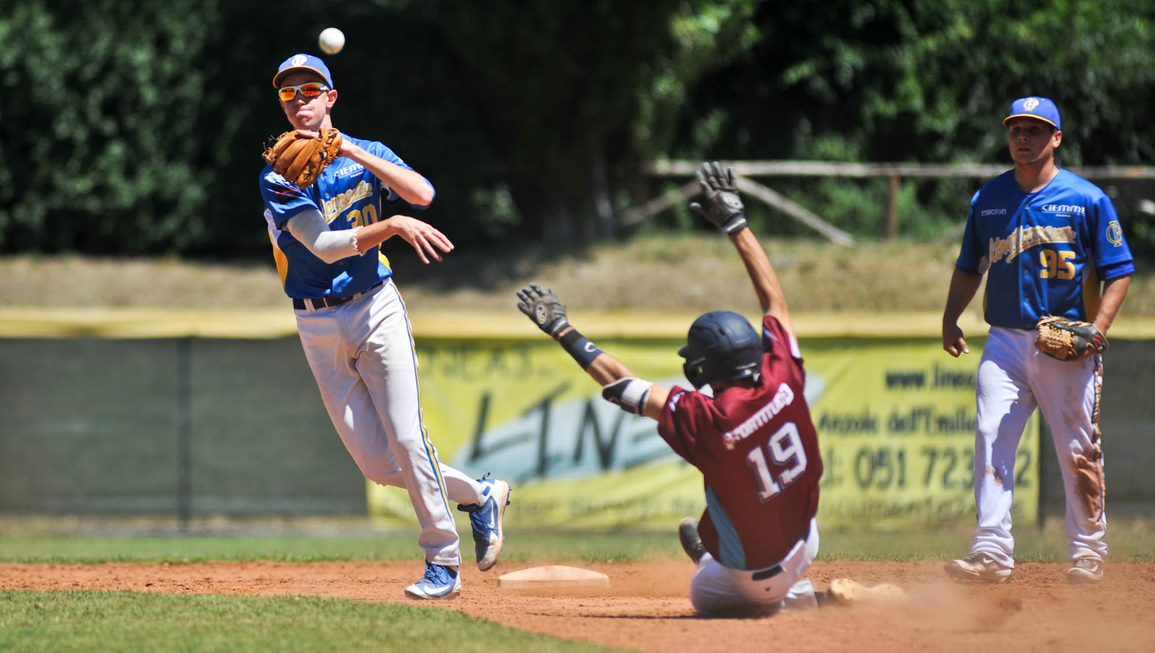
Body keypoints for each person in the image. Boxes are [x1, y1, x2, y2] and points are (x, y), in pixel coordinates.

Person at [516, 162, 825, 616]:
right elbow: (775, 300)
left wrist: (563, 330)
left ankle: (737, 575)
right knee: (775, 515)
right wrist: (736, 222)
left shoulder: (710, 419)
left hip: (749, 578)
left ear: (706, 369)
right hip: (806, 544)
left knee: (705, 591)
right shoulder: (785, 378)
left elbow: (622, 383)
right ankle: (797, 593)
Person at [257, 53, 511, 600]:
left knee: (406, 435)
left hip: (376, 308)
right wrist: (391, 224)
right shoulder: (278, 172)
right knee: (377, 464)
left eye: (309, 91)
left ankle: (442, 560)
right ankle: (481, 493)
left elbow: (423, 196)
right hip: (317, 323)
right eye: (288, 94)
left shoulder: (365, 154)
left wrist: (349, 149)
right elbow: (323, 248)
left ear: (331, 98)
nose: (299, 101)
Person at [941, 96, 1134, 585]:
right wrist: (950, 319)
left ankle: (1089, 551)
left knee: (1077, 448)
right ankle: (991, 551)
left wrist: (1098, 331)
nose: (1022, 137)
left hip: (1063, 342)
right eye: (1016, 129)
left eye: (1034, 129)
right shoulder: (989, 200)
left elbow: (1120, 272)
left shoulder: (1088, 200)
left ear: (1056, 139)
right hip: (1004, 340)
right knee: (991, 437)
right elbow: (970, 267)